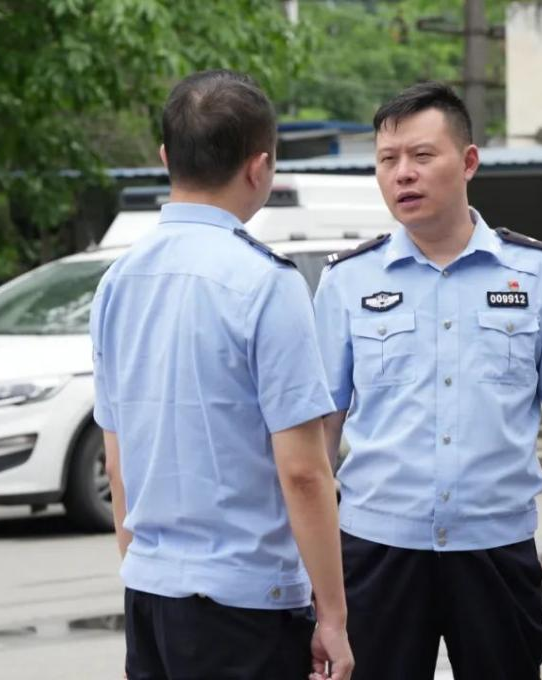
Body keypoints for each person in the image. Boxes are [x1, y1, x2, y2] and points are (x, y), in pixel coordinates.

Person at [312, 81, 542, 680]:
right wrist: (309, 568)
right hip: (377, 550)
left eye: (422, 156)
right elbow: (320, 429)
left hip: (495, 548)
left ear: (469, 161)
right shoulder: (348, 281)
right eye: (387, 160)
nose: (403, 173)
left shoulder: (536, 273)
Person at [90, 69, 353, 680]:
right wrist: (334, 616)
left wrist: (145, 571)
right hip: (245, 605)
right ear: (260, 168)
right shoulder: (266, 283)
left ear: (165, 158)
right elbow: (304, 471)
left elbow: (117, 461)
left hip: (149, 595)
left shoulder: (116, 282)